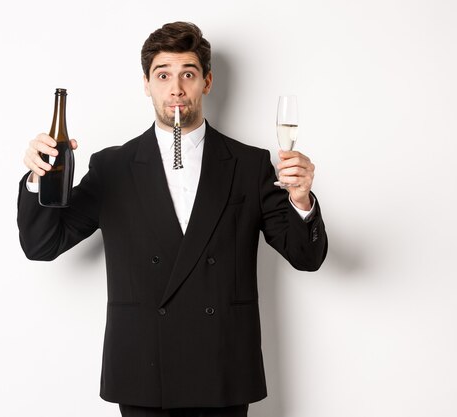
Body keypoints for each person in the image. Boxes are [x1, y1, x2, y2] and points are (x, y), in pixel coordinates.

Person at [18, 21, 327, 417]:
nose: (176, 88)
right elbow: (41, 246)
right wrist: (37, 179)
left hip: (223, 370)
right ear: (147, 84)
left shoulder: (250, 164)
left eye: (188, 74)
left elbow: (306, 257)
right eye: (163, 75)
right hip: (144, 371)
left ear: (207, 82)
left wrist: (301, 200)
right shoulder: (113, 166)